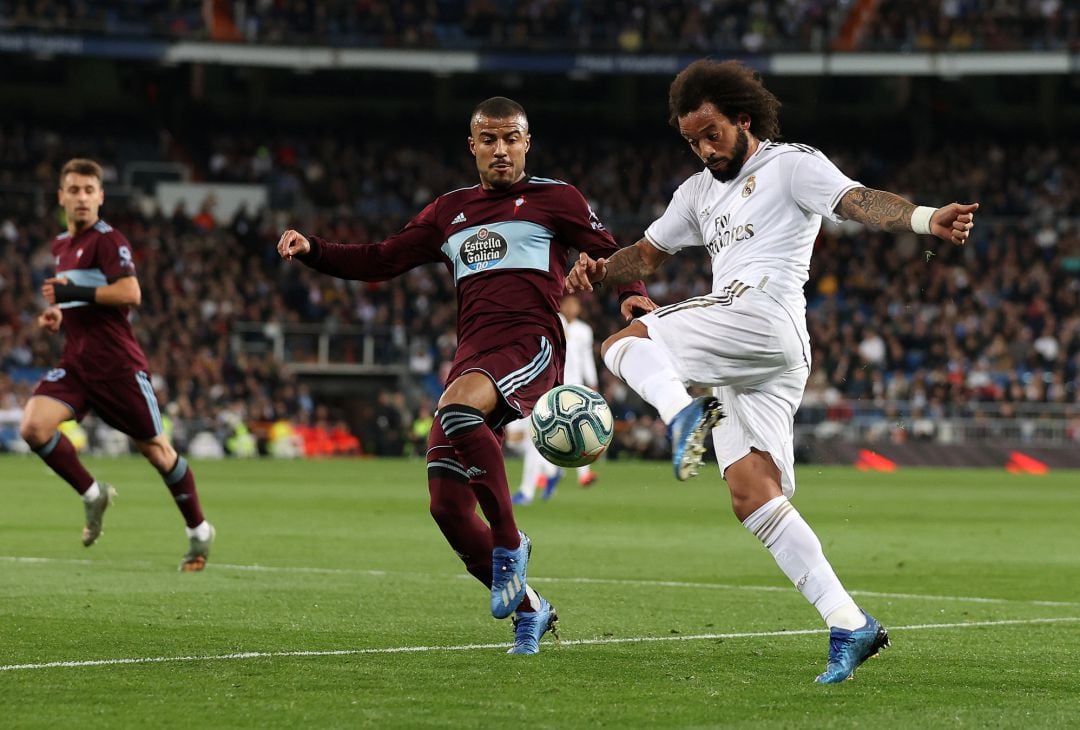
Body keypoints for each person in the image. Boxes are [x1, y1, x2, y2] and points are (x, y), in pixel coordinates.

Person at [566, 59, 978, 683]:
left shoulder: (790, 164)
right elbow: (645, 254)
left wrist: (924, 219)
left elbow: (857, 201)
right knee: (753, 493)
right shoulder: (699, 192)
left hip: (765, 314)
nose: (705, 149)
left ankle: (683, 416)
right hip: (756, 356)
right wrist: (598, 270)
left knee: (625, 343)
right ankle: (849, 624)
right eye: (692, 140)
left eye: (713, 134)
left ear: (744, 119)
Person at [277, 97, 652, 654]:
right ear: (472, 145)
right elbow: (382, 258)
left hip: (530, 343)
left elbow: (609, 251)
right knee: (447, 506)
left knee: (456, 409)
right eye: (488, 140)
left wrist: (633, 296)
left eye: (511, 139)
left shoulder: (557, 200)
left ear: (527, 143)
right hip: (472, 354)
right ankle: (532, 610)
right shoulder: (447, 211)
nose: (500, 150)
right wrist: (314, 251)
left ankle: (509, 542)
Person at [20, 158, 215, 571]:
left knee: (159, 454)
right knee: (33, 426)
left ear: (101, 197)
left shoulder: (109, 240)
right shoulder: (61, 246)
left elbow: (130, 292)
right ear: (61, 197)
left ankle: (199, 530)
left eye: (90, 190)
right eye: (74, 190)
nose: (82, 198)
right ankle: (93, 494)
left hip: (118, 368)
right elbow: (79, 299)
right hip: (76, 363)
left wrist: (76, 292)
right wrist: (58, 314)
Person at [511, 293, 600, 504]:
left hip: (572, 389)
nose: (571, 307)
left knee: (572, 431)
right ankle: (550, 470)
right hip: (545, 385)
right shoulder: (551, 321)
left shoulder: (584, 331)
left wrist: (592, 381)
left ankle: (529, 489)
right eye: (567, 303)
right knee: (522, 438)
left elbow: (586, 358)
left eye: (575, 304)